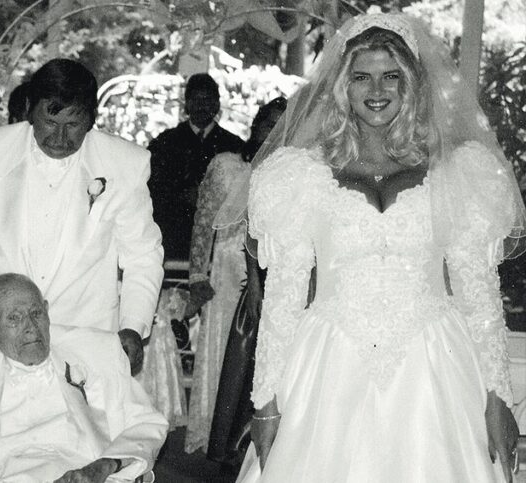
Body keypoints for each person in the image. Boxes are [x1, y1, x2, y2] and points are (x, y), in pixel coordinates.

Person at [222, 12, 526, 483]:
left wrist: (497, 397)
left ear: (412, 84)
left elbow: (478, 292)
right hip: (328, 368)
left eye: (391, 76)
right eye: (362, 76)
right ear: (343, 86)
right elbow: (283, 298)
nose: (377, 90)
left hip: (435, 369)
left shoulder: (458, 171)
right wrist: (266, 402)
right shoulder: (299, 175)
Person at [0, 59, 164, 375]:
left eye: (73, 125)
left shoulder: (125, 163)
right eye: (50, 122)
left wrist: (133, 325)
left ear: (92, 119)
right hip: (1, 339)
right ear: (30, 110)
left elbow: (142, 256)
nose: (60, 138)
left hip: (88, 339)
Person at [0, 273, 169, 482]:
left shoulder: (99, 351)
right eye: (14, 318)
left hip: (83, 473)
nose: (31, 328)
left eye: (36, 313)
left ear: (47, 311)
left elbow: (147, 424)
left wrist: (105, 466)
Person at [183, 98, 287, 455]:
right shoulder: (227, 164)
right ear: (256, 125)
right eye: (268, 123)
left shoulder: (292, 171)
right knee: (223, 349)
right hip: (227, 271)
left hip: (270, 270)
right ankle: (217, 432)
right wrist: (198, 275)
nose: (273, 131)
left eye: (282, 125)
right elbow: (203, 222)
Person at [147, 73, 244, 261]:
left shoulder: (233, 145)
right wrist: (181, 195)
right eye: (195, 100)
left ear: (217, 104)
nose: (201, 106)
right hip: (172, 238)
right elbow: (151, 188)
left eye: (207, 100)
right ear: (187, 104)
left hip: (216, 241)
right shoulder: (165, 143)